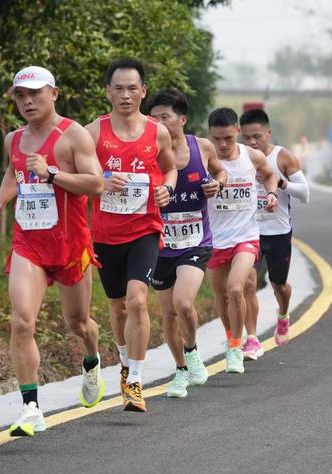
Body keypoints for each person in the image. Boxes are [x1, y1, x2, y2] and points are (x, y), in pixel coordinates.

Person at [0, 66, 105, 437]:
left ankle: (91, 362)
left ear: (54, 93)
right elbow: (14, 173)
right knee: (21, 320)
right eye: (20, 96)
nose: (28, 101)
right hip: (29, 244)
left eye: (35, 93)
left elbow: (96, 184)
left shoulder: (74, 136)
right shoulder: (14, 139)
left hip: (70, 247)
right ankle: (31, 407)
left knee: (78, 324)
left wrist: (51, 174)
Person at [85, 58, 177, 412]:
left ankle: (136, 380)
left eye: (132, 88)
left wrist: (167, 188)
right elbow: (78, 177)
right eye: (118, 88)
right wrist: (101, 183)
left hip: (146, 229)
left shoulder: (157, 132)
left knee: (137, 299)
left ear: (144, 91)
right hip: (106, 233)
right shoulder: (93, 132)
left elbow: (169, 169)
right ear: (108, 91)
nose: (125, 95)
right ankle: (124, 362)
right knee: (118, 306)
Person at [147, 88, 227, 398]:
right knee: (167, 314)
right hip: (161, 243)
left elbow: (221, 171)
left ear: (182, 119)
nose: (157, 124)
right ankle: (180, 370)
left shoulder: (202, 147)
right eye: (152, 118)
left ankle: (192, 353)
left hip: (196, 240)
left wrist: (217, 184)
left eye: (164, 117)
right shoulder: (147, 153)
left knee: (183, 302)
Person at [207, 107, 278, 374]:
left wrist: (271, 194)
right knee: (222, 295)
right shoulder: (205, 159)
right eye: (217, 139)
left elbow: (270, 174)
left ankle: (237, 346)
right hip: (214, 238)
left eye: (227, 138)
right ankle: (230, 336)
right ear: (209, 136)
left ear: (237, 131)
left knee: (237, 288)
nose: (223, 145)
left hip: (246, 235)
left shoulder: (251, 156)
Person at [240, 109, 310, 358]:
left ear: (268, 132)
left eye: (257, 136)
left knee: (278, 284)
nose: (252, 142)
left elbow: (305, 193)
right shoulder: (239, 156)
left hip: (278, 231)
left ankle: (283, 314)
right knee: (248, 282)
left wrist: (280, 182)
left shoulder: (283, 157)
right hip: (249, 231)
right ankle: (251, 338)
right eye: (246, 137)